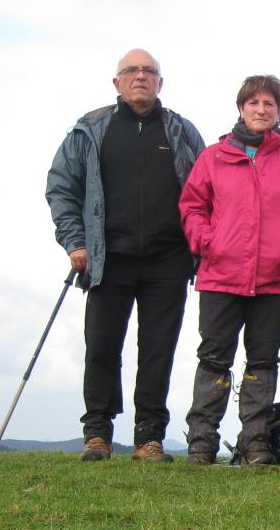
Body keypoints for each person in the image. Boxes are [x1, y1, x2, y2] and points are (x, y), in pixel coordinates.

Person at [46, 48, 205, 462]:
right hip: (105, 259)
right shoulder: (90, 130)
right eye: (131, 71)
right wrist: (75, 242)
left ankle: (149, 439)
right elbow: (61, 187)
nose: (140, 77)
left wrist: (199, 246)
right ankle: (97, 434)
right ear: (116, 82)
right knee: (101, 345)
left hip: (168, 260)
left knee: (158, 349)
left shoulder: (182, 132)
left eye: (149, 71)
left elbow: (207, 192)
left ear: (160, 83)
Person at [179, 75, 280, 465]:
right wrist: (207, 241)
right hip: (221, 276)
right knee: (214, 358)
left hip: (277, 278)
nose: (261, 109)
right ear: (241, 108)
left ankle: (255, 443)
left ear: (279, 111)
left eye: (269, 104)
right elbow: (192, 206)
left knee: (263, 361)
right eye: (253, 103)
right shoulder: (213, 157)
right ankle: (202, 442)